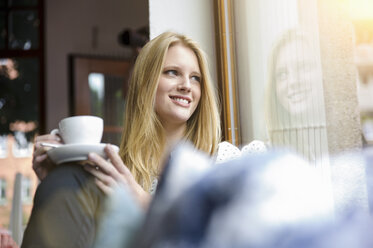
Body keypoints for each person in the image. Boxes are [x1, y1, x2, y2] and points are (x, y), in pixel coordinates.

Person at [21, 31, 221, 247]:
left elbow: (225, 236)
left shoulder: (220, 163)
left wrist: (142, 202)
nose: (187, 86)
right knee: (63, 180)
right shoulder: (117, 171)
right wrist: (54, 178)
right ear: (145, 83)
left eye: (195, 78)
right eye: (173, 72)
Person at [265, 28, 328, 166]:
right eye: (282, 74)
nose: (293, 81)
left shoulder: (352, 147)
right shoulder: (268, 160)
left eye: (303, 67)